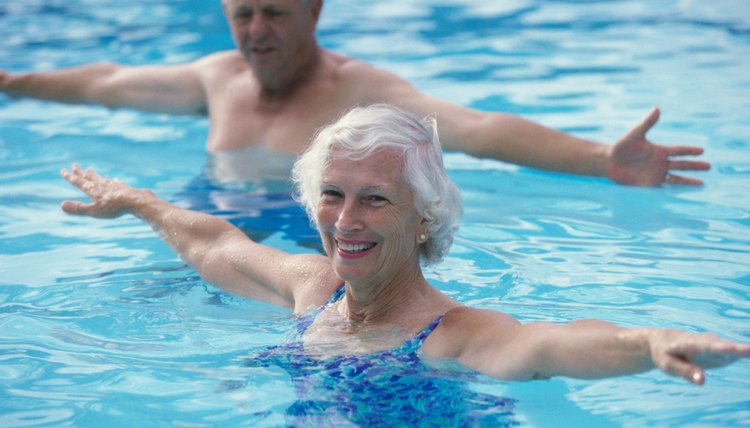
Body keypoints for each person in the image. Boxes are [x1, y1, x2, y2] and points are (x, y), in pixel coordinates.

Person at [60, 104, 748, 395]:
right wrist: (135, 202)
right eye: (333, 194)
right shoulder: (314, 287)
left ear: (425, 218)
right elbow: (215, 242)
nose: (347, 220)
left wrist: (647, 343)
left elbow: (552, 345)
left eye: (376, 198)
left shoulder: (455, 336)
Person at [4, 0, 709, 187]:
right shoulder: (215, 78)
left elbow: (478, 129)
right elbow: (103, 85)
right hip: (206, 229)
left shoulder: (362, 91)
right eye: (241, 13)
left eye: (274, 12)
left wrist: (597, 158)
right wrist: (11, 81)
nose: (255, 31)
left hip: (306, 246)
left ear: (315, 10)